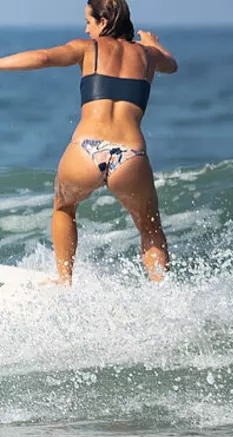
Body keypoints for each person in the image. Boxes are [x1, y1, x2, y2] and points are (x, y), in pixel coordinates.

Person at [0, 0, 177, 284]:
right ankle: (164, 292)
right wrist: (152, 43)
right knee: (148, 225)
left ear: (103, 22)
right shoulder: (149, 56)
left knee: (64, 208)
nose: (86, 29)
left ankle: (64, 280)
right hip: (130, 155)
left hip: (85, 151)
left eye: (89, 22)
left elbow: (43, 57)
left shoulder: (87, 48)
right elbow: (172, 65)